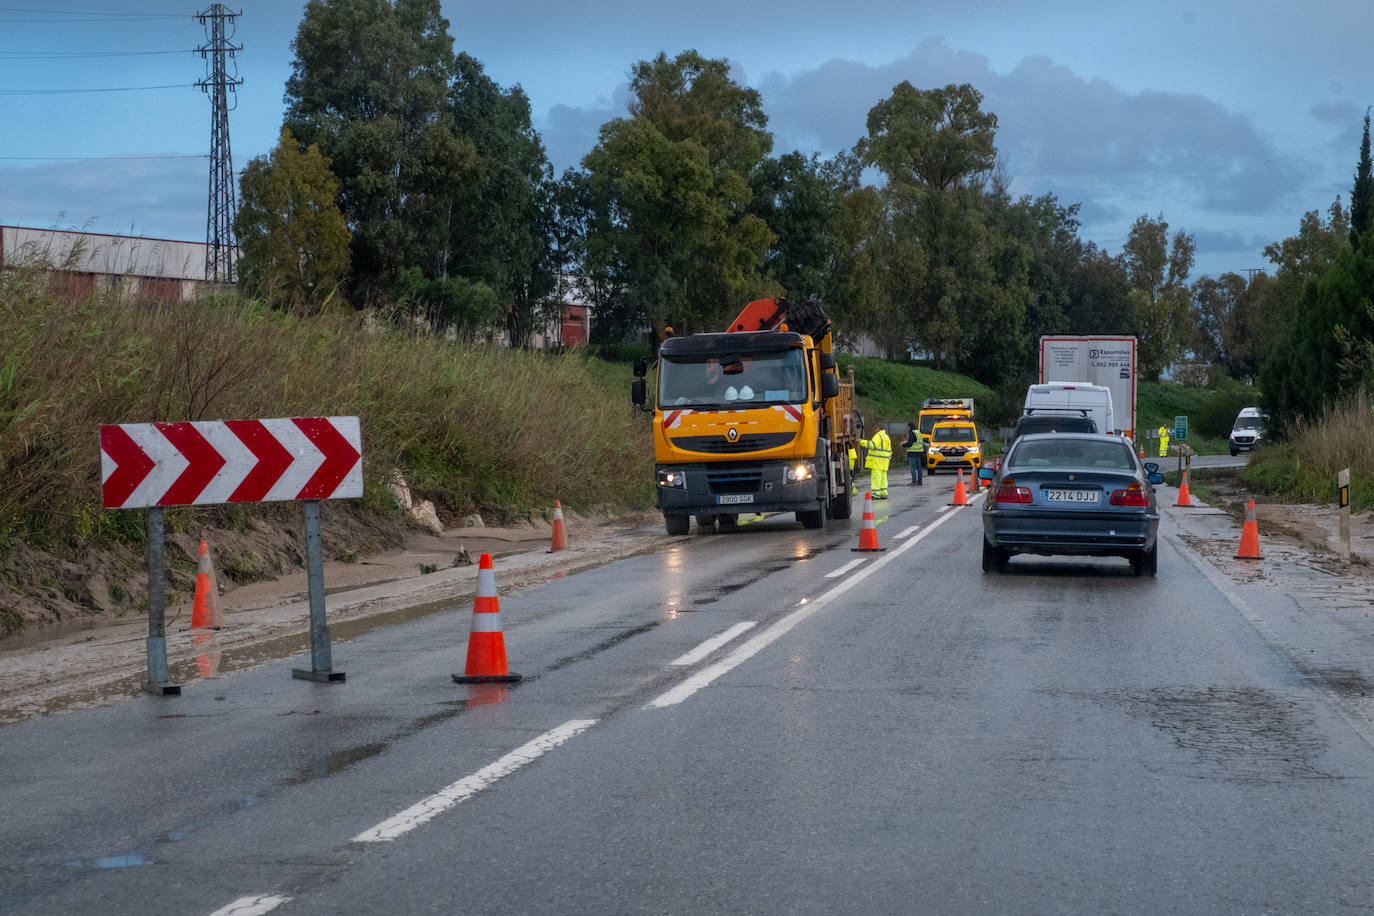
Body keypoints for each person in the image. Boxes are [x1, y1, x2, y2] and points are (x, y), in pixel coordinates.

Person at [860, 425, 892, 499]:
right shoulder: (886, 437)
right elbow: (889, 451)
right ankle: (884, 493)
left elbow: (872, 445)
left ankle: (875, 494)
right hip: (884, 462)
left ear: (878, 428)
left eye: (875, 428)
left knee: (876, 478)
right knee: (883, 478)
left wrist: (861, 442)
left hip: (877, 462)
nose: (875, 430)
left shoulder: (878, 436)